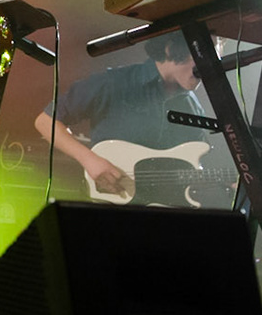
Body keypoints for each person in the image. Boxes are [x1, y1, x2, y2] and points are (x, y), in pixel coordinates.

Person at [33, 32, 221, 206]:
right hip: (107, 210)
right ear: (170, 49)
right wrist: (89, 160)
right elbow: (45, 121)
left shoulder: (193, 107)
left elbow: (193, 166)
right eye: (201, 59)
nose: (207, 70)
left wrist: (227, 182)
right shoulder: (114, 83)